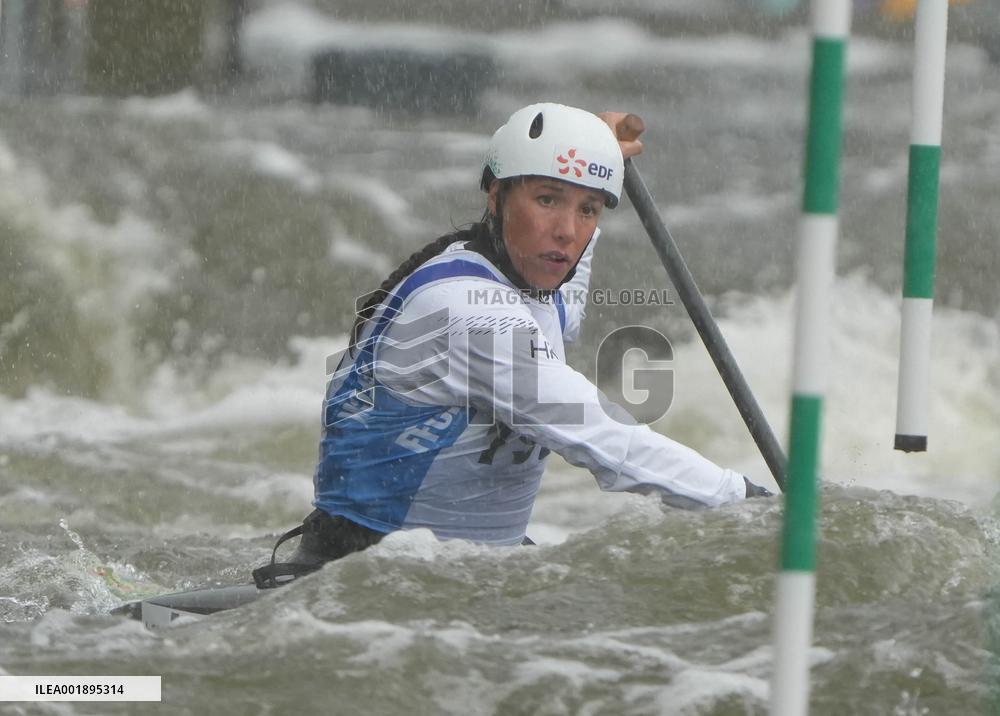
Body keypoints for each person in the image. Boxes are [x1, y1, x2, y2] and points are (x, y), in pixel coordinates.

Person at [253, 103, 771, 588]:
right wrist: (756, 506)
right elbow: (611, 442)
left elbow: (572, 264)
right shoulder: (471, 312)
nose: (567, 232)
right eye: (547, 199)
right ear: (496, 198)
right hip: (371, 575)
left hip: (466, 568)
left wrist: (594, 147)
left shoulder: (534, 273)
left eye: (588, 209)